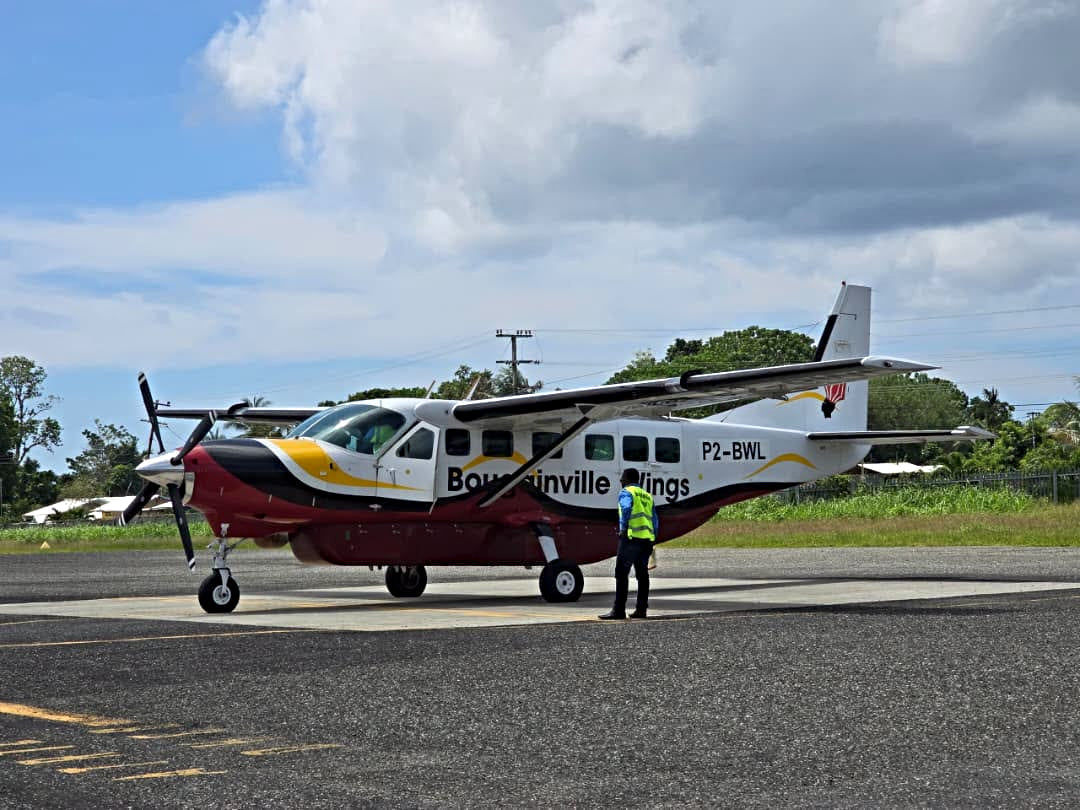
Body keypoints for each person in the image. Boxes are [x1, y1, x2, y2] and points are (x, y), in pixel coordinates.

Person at [599, 467, 659, 620]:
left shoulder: (626, 492)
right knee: (642, 575)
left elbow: (626, 508)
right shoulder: (647, 496)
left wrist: (623, 528)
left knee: (621, 574)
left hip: (631, 539)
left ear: (627, 479)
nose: (620, 480)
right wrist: (653, 538)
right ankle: (641, 609)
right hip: (646, 540)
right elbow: (655, 520)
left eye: (622, 477)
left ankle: (618, 610)